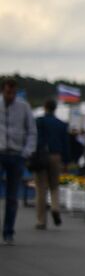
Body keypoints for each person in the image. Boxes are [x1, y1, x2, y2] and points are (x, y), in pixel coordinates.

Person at [1, 78, 37, 244]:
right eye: (8, 92)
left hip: (16, 155)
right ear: (3, 91)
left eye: (14, 93)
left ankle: (9, 232)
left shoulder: (23, 107)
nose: (11, 96)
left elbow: (31, 131)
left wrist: (26, 152)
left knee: (12, 196)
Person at [33, 99, 68, 230]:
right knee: (54, 186)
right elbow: (66, 144)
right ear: (55, 108)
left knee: (41, 188)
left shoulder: (39, 121)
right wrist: (66, 161)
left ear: (45, 107)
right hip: (56, 155)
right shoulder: (61, 124)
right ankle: (55, 207)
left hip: (41, 155)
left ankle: (41, 221)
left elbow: (34, 138)